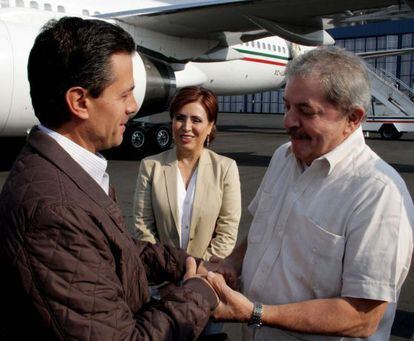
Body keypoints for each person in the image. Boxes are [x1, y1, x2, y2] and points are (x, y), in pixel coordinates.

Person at [0, 17, 219, 340]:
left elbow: (113, 251)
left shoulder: (63, 170)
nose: (133, 107)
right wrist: (199, 292)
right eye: (124, 95)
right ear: (79, 102)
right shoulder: (55, 209)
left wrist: (184, 262)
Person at [201, 46, 414, 340]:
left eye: (306, 111)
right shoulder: (283, 157)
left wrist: (257, 313)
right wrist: (231, 263)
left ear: (353, 118)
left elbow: (362, 317)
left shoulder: (378, 195)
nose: (288, 121)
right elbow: (264, 228)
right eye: (287, 106)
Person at [133, 86, 241, 260]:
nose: (186, 127)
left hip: (206, 277)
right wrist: (165, 273)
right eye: (180, 118)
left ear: (210, 126)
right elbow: (143, 227)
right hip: (161, 279)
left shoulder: (225, 169)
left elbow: (227, 232)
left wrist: (197, 272)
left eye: (196, 120)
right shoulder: (151, 166)